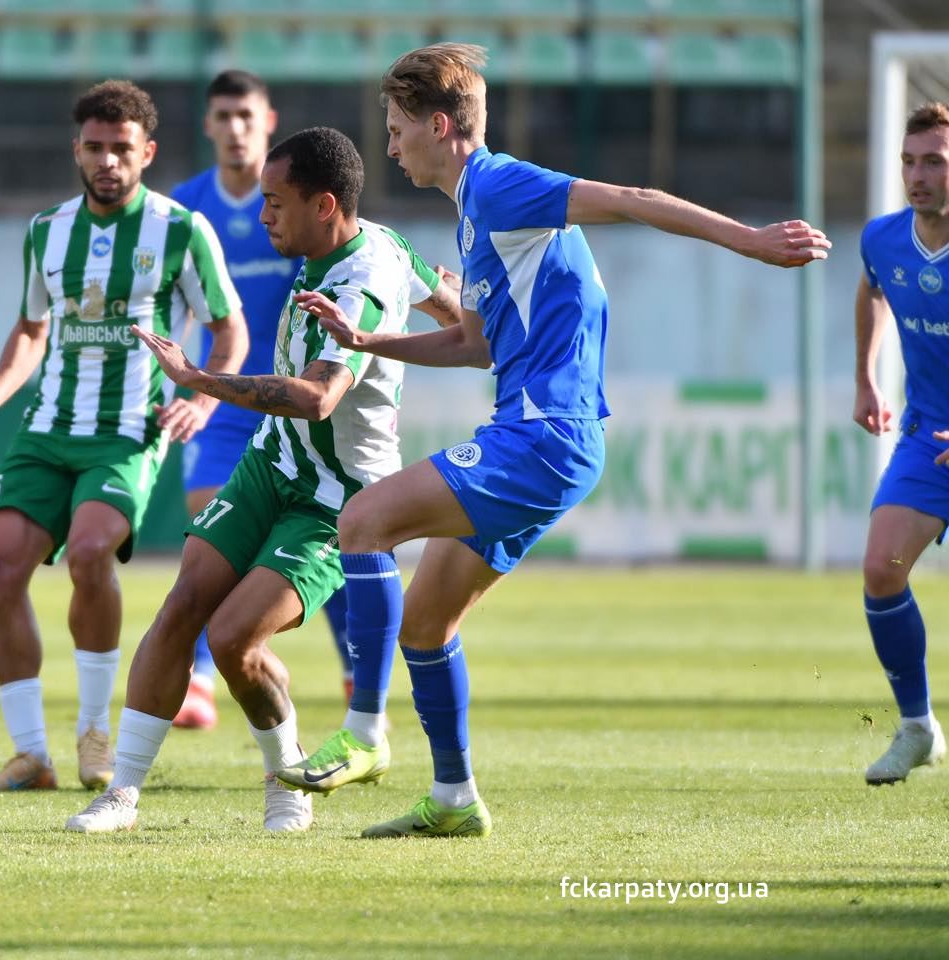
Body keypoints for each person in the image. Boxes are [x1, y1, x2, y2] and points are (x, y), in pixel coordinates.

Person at [277, 42, 831, 838]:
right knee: (425, 623)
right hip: (537, 435)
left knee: (362, 520)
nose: (390, 148)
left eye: (397, 130)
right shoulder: (478, 215)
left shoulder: (499, 185)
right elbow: (473, 343)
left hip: (544, 436)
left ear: (440, 126)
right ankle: (454, 798)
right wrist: (369, 343)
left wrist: (750, 241)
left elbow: (634, 198)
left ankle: (364, 733)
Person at [62, 126, 466, 834]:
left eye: (276, 202)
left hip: (337, 499)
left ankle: (287, 778)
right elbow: (454, 309)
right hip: (271, 464)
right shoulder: (381, 243)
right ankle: (121, 795)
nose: (263, 215)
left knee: (233, 638)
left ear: (325, 205)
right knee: (183, 605)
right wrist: (469, 320)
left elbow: (318, 398)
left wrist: (199, 379)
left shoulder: (362, 281)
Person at [0, 81, 248, 791]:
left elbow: (228, 329)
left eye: (121, 148)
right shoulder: (46, 230)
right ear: (76, 150)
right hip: (46, 428)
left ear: (147, 152)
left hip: (128, 432)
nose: (107, 160)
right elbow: (32, 327)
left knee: (89, 552)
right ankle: (31, 755)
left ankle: (93, 734)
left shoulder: (180, 229)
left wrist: (202, 400)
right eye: (94, 147)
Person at [168, 69, 343, 730]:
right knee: (212, 527)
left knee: (329, 539)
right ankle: (204, 675)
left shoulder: (299, 200)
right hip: (223, 405)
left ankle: (358, 681)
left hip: (298, 399)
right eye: (223, 116)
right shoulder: (186, 209)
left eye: (247, 115)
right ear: (208, 125)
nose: (235, 128)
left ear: (268, 121)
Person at [854, 101, 949, 785]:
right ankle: (917, 727)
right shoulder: (883, 239)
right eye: (910, 162)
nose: (918, 176)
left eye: (935, 163)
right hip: (926, 437)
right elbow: (872, 289)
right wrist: (866, 377)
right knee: (882, 568)